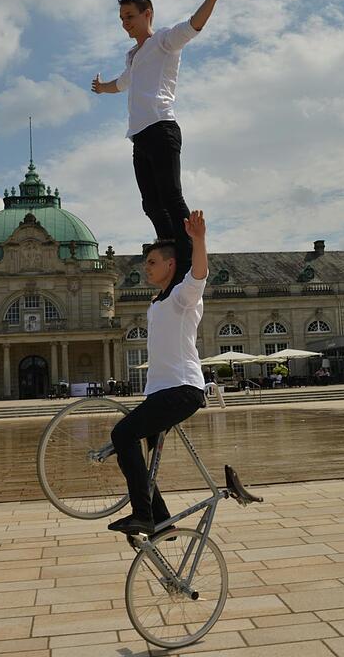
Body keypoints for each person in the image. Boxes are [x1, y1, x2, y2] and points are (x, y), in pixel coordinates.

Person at [91, 0, 236, 280]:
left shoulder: (164, 41)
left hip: (161, 127)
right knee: (151, 203)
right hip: (139, 136)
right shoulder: (133, 56)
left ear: (148, 14)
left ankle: (189, 257)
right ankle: (171, 253)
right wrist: (102, 88)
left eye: (130, 16)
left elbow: (194, 25)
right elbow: (123, 83)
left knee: (171, 196)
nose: (125, 23)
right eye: (121, 19)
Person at [108, 210, 210, 536]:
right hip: (161, 392)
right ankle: (161, 519)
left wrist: (198, 240)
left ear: (170, 265)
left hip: (182, 389)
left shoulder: (182, 297)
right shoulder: (156, 303)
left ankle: (142, 514)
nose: (146, 268)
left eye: (152, 262)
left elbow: (198, 274)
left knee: (122, 435)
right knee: (143, 455)